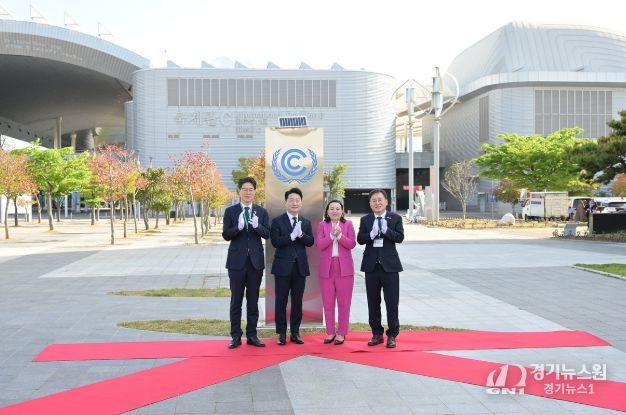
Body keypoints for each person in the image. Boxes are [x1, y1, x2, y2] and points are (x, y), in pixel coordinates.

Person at [222, 177, 269, 349]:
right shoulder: (230, 211)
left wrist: (257, 226)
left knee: (253, 300)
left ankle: (252, 335)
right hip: (236, 263)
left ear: (255, 192)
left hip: (255, 263)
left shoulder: (261, 211)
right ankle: (235, 336)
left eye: (251, 189)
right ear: (239, 191)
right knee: (236, 300)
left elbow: (267, 234)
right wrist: (238, 227)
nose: (248, 192)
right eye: (245, 189)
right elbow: (226, 235)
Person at [357, 189, 404, 348]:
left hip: (390, 267)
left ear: (386, 202)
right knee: (373, 302)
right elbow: (360, 239)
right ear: (370, 204)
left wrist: (386, 231)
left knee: (392, 302)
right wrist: (371, 234)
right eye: (374, 200)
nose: (377, 203)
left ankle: (392, 335)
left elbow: (400, 237)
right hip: (371, 267)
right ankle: (376, 333)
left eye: (380, 200)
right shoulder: (366, 219)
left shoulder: (395, 218)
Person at [270, 187, 314, 345]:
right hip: (282, 267)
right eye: (291, 200)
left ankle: (295, 332)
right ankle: (281, 333)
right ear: (285, 203)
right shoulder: (277, 221)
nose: (294, 203)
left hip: (300, 268)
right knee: (281, 301)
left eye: (297, 200)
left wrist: (301, 235)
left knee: (297, 301)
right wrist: (291, 236)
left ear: (301, 203)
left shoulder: (305, 222)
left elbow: (310, 242)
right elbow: (275, 242)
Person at [315, 200, 356, 345]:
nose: (335, 211)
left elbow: (352, 244)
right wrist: (331, 236)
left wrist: (339, 236)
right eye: (331, 208)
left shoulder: (348, 224)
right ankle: (330, 332)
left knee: (344, 303)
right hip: (327, 267)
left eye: (338, 208)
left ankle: (341, 333)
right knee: (328, 302)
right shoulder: (322, 225)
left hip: (344, 268)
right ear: (327, 211)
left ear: (342, 211)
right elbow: (319, 245)